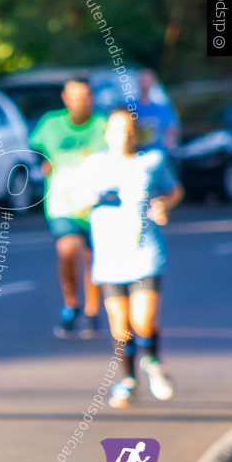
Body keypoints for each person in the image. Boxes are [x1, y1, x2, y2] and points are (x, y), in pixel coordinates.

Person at [77, 109, 182, 409]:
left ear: (135, 133)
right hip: (110, 255)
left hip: (145, 252)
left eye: (128, 129)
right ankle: (128, 381)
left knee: (143, 319)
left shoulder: (152, 161)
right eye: (116, 129)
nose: (122, 135)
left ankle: (153, 362)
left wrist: (164, 204)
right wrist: (93, 198)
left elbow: (174, 191)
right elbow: (79, 200)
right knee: (120, 327)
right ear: (107, 133)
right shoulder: (94, 164)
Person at [29, 81, 107, 339]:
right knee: (67, 249)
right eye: (74, 97)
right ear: (65, 98)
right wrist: (43, 163)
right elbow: (33, 149)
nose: (79, 102)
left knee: (92, 257)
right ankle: (71, 304)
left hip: (96, 202)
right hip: (62, 201)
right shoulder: (51, 124)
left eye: (84, 97)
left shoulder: (102, 125)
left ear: (91, 98)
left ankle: (93, 311)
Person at [132, 70, 179, 154]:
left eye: (146, 81)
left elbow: (172, 129)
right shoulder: (131, 107)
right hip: (136, 154)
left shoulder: (162, 107)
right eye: (142, 81)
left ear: (153, 82)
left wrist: (169, 146)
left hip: (158, 153)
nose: (144, 84)